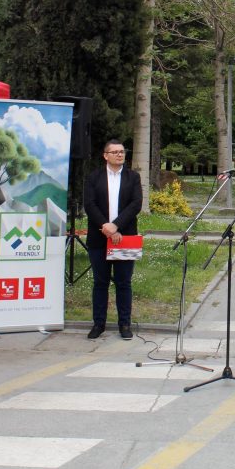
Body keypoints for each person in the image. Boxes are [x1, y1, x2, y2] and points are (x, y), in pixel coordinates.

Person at [83, 140, 142, 340]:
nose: (119, 154)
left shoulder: (133, 177)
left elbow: (136, 204)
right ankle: (98, 323)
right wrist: (106, 227)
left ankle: (124, 324)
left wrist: (116, 226)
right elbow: (90, 205)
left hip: (125, 237)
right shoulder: (94, 177)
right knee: (100, 282)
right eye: (115, 152)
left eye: (122, 151)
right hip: (99, 237)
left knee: (123, 282)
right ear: (105, 155)